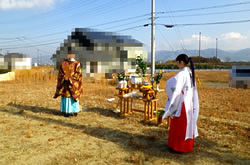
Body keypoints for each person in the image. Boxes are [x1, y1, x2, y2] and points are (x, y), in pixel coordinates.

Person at [162, 54, 199, 153]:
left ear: (181, 62)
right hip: (189, 103)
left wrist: (168, 85)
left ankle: (178, 147)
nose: (177, 65)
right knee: (186, 125)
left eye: (177, 62)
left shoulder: (182, 74)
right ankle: (186, 146)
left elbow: (172, 84)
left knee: (179, 126)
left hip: (182, 104)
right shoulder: (190, 72)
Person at [53, 50, 83, 117]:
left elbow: (79, 74)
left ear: (74, 55)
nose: (70, 55)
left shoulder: (77, 64)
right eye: (69, 54)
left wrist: (70, 79)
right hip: (65, 84)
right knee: (66, 97)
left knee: (73, 97)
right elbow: (60, 73)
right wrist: (64, 77)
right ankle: (67, 111)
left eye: (71, 54)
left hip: (73, 84)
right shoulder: (64, 63)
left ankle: (74, 111)